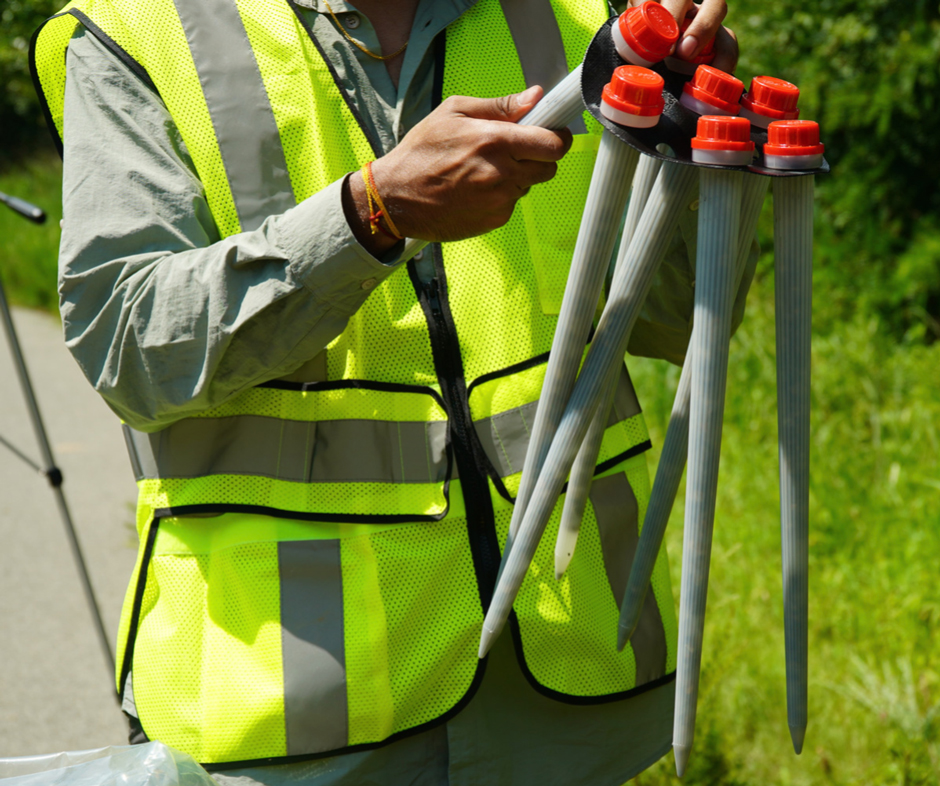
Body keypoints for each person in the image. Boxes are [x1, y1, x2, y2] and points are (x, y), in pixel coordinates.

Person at [31, 0, 746, 782]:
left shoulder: (575, 16)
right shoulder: (137, 31)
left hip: (565, 688)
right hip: (294, 718)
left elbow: (680, 317)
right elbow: (129, 348)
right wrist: (368, 216)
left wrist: (694, 132)